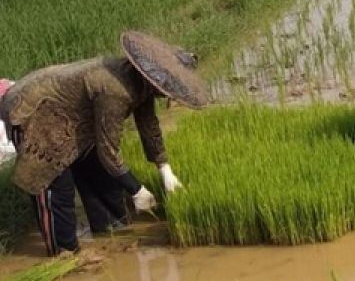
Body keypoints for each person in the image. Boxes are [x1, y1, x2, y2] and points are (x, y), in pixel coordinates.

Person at [0, 31, 208, 256]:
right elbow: (109, 151)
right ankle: (63, 253)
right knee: (57, 187)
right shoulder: (116, 89)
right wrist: (136, 190)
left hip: (74, 117)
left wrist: (164, 168)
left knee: (99, 175)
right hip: (36, 112)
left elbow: (149, 127)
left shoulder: (142, 84)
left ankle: (109, 230)